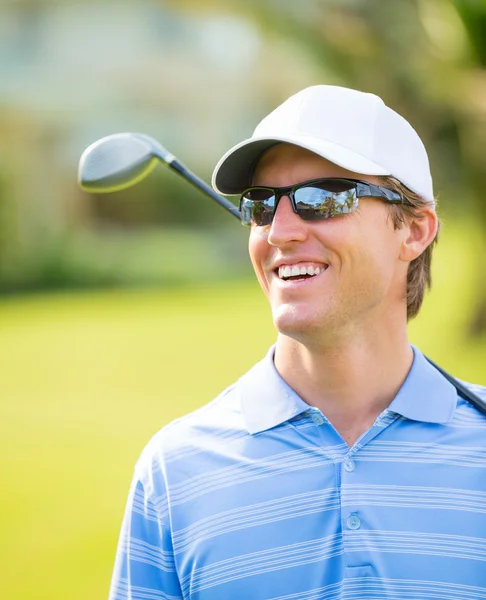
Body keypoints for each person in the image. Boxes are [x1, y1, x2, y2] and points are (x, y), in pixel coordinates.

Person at [108, 85, 486, 600]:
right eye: (262, 206)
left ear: (414, 230)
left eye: (323, 199)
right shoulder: (175, 469)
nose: (280, 232)